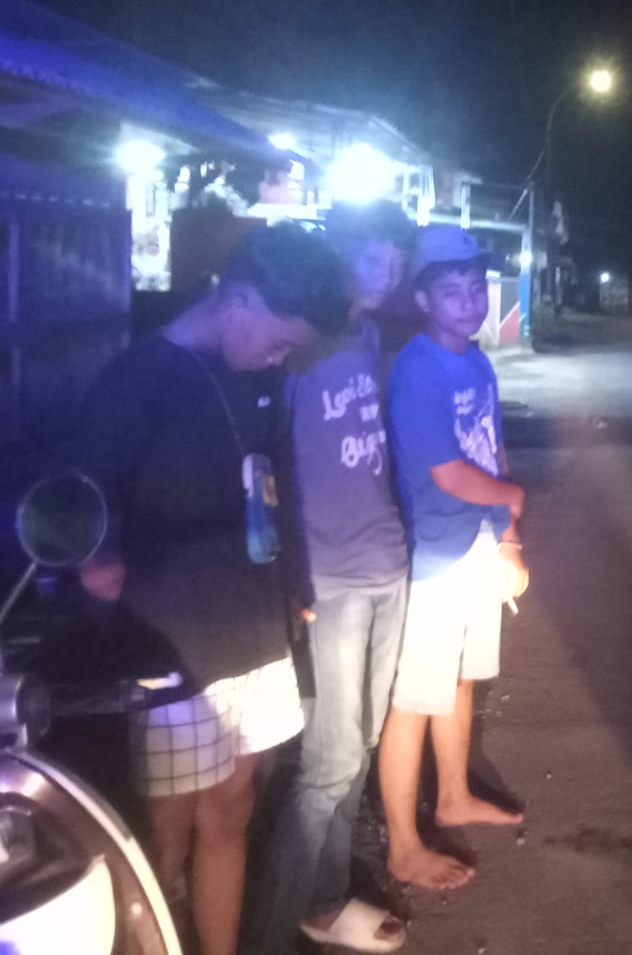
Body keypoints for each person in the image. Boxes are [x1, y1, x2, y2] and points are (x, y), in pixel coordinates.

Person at [76, 222, 350, 955]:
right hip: (172, 647)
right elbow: (87, 505)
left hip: (255, 628)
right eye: (280, 342)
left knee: (232, 811)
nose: (282, 359)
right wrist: (97, 564)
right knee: (163, 837)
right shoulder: (136, 381)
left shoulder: (257, 372)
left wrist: (294, 584)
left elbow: (277, 481)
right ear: (238, 304)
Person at [243, 205, 473, 955]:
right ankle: (267, 936)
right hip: (330, 575)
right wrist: (288, 574)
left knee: (361, 745)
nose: (387, 275)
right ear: (340, 255)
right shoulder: (296, 345)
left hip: (387, 563)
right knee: (328, 764)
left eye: (395, 264)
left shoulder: (371, 335)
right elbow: (268, 463)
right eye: (375, 259)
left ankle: (323, 901)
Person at [378, 225, 530, 888]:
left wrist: (508, 535)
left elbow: (491, 448)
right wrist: (513, 497)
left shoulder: (477, 362)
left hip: (476, 543)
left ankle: (453, 795)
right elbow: (447, 472)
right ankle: (402, 845)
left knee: (462, 679)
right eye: (451, 291)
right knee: (414, 698)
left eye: (476, 288)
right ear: (422, 299)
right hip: (434, 554)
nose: (469, 302)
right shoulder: (417, 369)